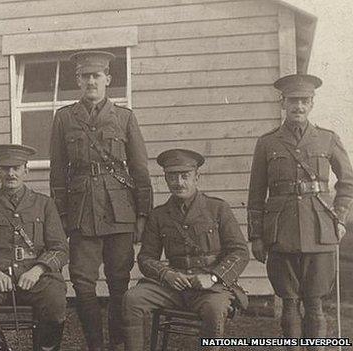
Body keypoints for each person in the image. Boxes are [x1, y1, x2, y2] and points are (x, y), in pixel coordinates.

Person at [49, 50, 152, 350]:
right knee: (82, 282)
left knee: (119, 279)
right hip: (81, 211)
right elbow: (57, 172)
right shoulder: (64, 118)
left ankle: (118, 343)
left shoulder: (124, 117)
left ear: (108, 79)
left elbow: (140, 169)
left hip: (119, 210)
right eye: (85, 76)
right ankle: (95, 343)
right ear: (78, 80)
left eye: (96, 76)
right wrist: (62, 216)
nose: (91, 81)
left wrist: (142, 215)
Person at [248, 74, 353, 350]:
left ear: (312, 103)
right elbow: (256, 193)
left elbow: (347, 182)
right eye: (293, 101)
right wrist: (256, 236)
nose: (299, 107)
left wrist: (340, 218)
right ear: (283, 102)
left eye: (304, 101)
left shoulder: (328, 139)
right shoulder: (267, 143)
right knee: (290, 302)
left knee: (316, 303)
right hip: (281, 232)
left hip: (320, 230)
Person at [122, 149, 249, 351]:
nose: (178, 182)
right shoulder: (159, 215)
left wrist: (213, 277)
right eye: (172, 177)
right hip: (173, 287)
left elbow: (240, 252)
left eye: (185, 176)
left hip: (210, 289)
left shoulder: (217, 208)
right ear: (165, 179)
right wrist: (166, 274)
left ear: (197, 177)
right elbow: (146, 257)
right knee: (132, 299)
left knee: (215, 309)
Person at [0, 144, 68, 351]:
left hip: (37, 276)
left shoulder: (45, 204)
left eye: (16, 168)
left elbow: (60, 248)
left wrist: (37, 270)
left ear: (26, 170)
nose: (11, 174)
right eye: (5, 168)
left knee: (56, 301)